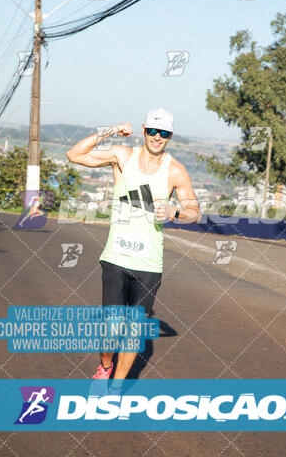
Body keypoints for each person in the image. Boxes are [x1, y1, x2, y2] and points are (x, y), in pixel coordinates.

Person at [66, 108, 201, 384]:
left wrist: (175, 212)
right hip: (116, 256)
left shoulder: (175, 170)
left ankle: (115, 388)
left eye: (163, 133)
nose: (157, 137)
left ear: (170, 136)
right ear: (143, 129)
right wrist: (112, 130)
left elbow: (195, 212)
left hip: (149, 264)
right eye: (153, 130)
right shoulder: (122, 156)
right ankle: (105, 366)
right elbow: (74, 154)